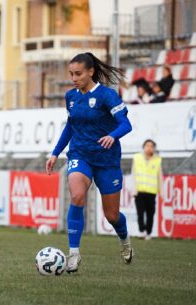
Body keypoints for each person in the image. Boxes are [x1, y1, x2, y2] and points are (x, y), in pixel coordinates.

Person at [46, 52, 133, 274]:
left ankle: (125, 240)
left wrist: (113, 136)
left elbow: (126, 124)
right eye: (71, 74)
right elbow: (70, 126)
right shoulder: (71, 97)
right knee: (76, 195)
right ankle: (73, 254)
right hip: (80, 155)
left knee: (112, 216)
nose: (73, 78)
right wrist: (55, 153)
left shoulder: (107, 96)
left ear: (91, 71)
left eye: (78, 73)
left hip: (106, 160)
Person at [131, 139, 163, 240]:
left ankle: (149, 233)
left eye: (151, 146)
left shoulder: (157, 160)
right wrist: (133, 189)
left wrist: (161, 191)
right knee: (140, 213)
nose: (149, 148)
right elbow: (133, 174)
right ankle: (142, 231)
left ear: (154, 148)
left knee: (150, 214)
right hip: (139, 191)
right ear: (143, 147)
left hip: (151, 192)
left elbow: (160, 176)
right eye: (147, 146)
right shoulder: (137, 158)